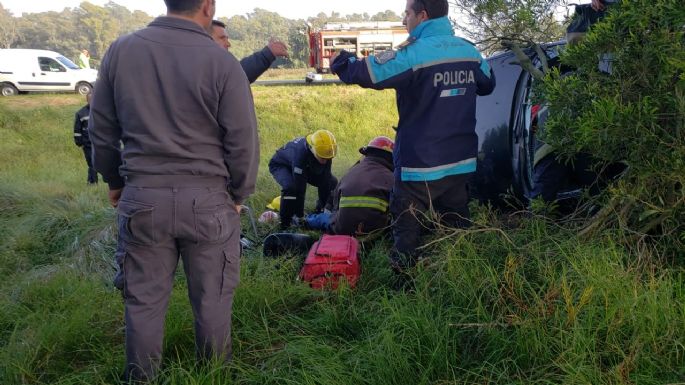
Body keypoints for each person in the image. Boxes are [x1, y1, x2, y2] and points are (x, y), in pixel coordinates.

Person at [89, 0, 259, 381]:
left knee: (143, 303)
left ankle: (141, 378)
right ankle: (213, 375)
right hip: (210, 201)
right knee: (213, 301)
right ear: (207, 6)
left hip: (142, 197)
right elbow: (243, 139)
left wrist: (114, 179)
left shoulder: (121, 50)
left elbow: (100, 128)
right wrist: (239, 194)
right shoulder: (222, 62)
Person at [330, 0, 495, 272]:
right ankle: (465, 273)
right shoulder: (470, 51)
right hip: (460, 163)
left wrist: (342, 60)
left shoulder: (414, 54)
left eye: (407, 13)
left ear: (422, 15)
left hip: (420, 167)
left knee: (406, 230)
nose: (404, 19)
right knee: (457, 224)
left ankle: (404, 286)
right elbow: (488, 85)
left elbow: (366, 72)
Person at [306, 136, 395, 236]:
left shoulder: (352, 171)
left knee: (324, 218)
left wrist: (334, 217)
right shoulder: (392, 178)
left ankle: (305, 220)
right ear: (392, 158)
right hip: (374, 232)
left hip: (340, 229)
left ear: (368, 154)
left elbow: (336, 198)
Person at [268, 130, 338, 229]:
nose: (325, 161)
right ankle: (286, 223)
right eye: (322, 158)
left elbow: (326, 178)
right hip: (282, 165)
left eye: (327, 158)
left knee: (332, 182)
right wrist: (300, 217)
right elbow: (300, 189)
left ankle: (320, 210)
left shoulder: (325, 151)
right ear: (313, 149)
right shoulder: (300, 155)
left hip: (303, 165)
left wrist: (325, 208)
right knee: (291, 188)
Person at [210, 20, 289, 83]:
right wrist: (267, 54)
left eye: (227, 39)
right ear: (203, 39)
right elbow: (235, 76)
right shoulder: (203, 70)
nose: (228, 44)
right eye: (222, 38)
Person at [72, 92, 98, 184]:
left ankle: (91, 182)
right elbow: (77, 130)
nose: (92, 101)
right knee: (92, 163)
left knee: (99, 163)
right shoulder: (80, 113)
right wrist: (79, 143)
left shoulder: (102, 111)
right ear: (87, 100)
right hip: (87, 144)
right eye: (90, 99)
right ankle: (93, 183)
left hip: (100, 144)